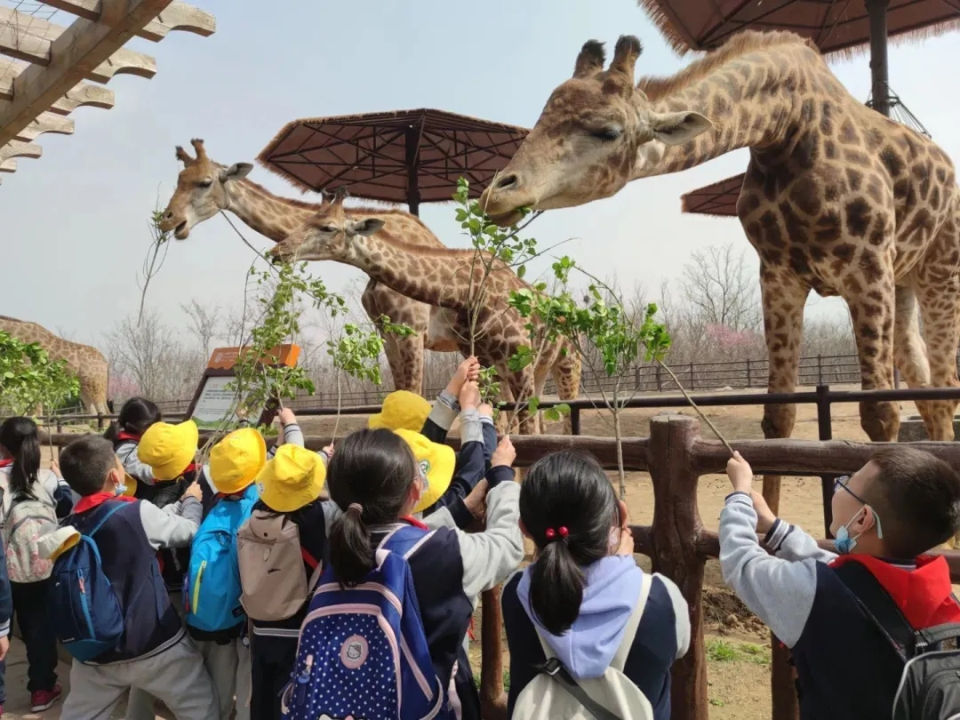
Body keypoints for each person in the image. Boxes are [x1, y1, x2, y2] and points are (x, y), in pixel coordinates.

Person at [720, 447, 960, 719]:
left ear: (863, 519)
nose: (840, 486)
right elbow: (847, 576)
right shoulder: (939, 595)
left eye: (848, 482)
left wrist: (739, 494)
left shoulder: (816, 594)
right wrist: (776, 528)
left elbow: (740, 562)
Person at [318, 416, 522, 719]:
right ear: (415, 491)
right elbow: (508, 546)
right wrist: (504, 476)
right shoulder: (445, 553)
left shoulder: (339, 547)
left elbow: (396, 539)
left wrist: (461, 510)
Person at [502, 450, 690, 719]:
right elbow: (680, 648)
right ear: (621, 516)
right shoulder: (661, 599)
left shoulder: (516, 594)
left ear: (524, 528)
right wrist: (622, 566)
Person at [52, 435, 218, 720]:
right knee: (200, 708)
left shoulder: (65, 528)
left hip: (95, 652)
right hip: (154, 644)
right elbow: (188, 530)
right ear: (114, 474)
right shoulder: (135, 512)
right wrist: (191, 500)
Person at [186, 428, 264, 720]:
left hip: (212, 618)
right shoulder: (257, 503)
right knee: (247, 683)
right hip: (246, 616)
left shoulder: (214, 507)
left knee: (219, 684)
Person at [0, 418, 69, 714]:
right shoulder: (46, 479)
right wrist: (61, 479)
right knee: (40, 631)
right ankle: (41, 690)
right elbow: (66, 508)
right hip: (41, 568)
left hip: (5, 568)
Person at [103, 397, 161, 501]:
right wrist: (167, 472)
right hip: (127, 496)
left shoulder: (136, 439)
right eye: (150, 426)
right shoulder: (126, 447)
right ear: (132, 425)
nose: (155, 430)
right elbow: (144, 472)